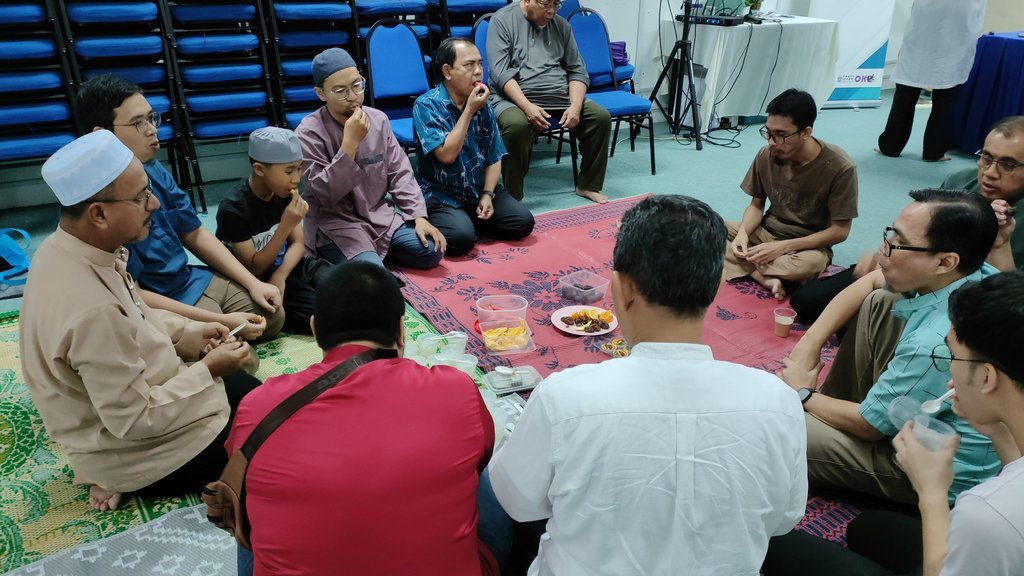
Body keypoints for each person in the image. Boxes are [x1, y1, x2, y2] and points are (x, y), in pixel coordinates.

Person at [484, 195, 808, 575]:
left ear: (622, 288)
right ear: (717, 286)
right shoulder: (779, 403)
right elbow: (784, 519)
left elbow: (517, 503)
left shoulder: (565, 397)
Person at [19, 131, 260, 513]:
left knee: (254, 393)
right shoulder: (90, 307)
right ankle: (121, 476)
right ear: (98, 213)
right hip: (141, 449)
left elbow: (136, 316)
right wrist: (208, 369)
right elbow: (134, 420)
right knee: (274, 434)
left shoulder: (65, 248)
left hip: (141, 401)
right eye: (141, 197)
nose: (155, 203)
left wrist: (193, 334)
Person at [229, 261, 496, 576]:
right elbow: (481, 459)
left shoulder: (258, 406)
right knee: (492, 481)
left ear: (315, 330)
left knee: (256, 512)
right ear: (401, 331)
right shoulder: (456, 389)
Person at [765, 271, 1024, 576]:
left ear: (987, 377)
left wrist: (932, 491)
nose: (950, 376)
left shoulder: (986, 513)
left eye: (953, 356)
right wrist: (993, 426)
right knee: (868, 528)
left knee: (776, 545)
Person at [779, 189, 1002, 506]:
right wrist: (809, 344)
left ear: (944, 261)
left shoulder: (934, 344)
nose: (882, 251)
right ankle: (835, 408)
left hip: (930, 466)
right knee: (882, 299)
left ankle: (829, 421)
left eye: (896, 243)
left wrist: (803, 392)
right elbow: (870, 282)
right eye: (889, 234)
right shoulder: (971, 273)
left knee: (775, 427)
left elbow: (869, 427)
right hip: (918, 420)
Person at [74, 74, 283, 343]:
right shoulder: (97, 204)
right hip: (155, 304)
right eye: (138, 123)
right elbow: (132, 294)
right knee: (237, 360)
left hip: (189, 280)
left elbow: (193, 232)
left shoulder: (152, 168)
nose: (151, 129)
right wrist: (221, 320)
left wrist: (255, 283)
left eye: (151, 118)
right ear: (102, 135)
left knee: (273, 316)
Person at [791, 116, 1024, 324]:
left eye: (1008, 164)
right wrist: (881, 255)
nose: (990, 172)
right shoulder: (959, 183)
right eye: (986, 157)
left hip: (960, 299)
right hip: (907, 269)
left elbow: (1010, 309)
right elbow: (912, 231)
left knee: (869, 320)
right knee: (805, 301)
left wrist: (1000, 244)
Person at [296, 47, 447, 270]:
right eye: (340, 91)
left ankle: (370, 254)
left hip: (379, 219)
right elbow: (323, 194)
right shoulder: (308, 132)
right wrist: (349, 145)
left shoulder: (378, 120)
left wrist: (418, 216)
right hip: (338, 225)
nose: (352, 97)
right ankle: (360, 258)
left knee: (431, 250)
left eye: (357, 86)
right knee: (372, 274)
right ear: (321, 94)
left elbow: (400, 172)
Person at [724, 88, 858, 300]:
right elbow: (756, 206)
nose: (771, 142)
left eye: (780, 135)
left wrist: (783, 247)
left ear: (806, 132)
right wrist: (742, 234)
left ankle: (744, 265)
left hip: (805, 247)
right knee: (705, 227)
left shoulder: (840, 168)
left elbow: (840, 231)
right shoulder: (766, 155)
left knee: (805, 266)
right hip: (766, 233)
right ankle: (761, 275)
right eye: (768, 132)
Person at [414, 37, 535, 256]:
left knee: (523, 222)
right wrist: (469, 111)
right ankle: (461, 222)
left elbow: (494, 155)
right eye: (469, 65)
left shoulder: (484, 103)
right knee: (460, 240)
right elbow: (446, 156)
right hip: (441, 193)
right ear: (447, 71)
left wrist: (488, 194)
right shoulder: (427, 105)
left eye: (480, 64)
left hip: (476, 189)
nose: (478, 71)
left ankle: (470, 218)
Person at [486, 0, 612, 204]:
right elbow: (500, 74)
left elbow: (577, 71)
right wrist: (527, 107)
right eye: (545, 4)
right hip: (513, 97)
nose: (551, 11)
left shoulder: (562, 26)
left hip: (558, 95)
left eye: (556, 4)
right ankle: (513, 198)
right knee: (516, 125)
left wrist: (575, 107)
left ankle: (588, 185)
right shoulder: (502, 20)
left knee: (600, 118)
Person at [216, 126, 333, 334]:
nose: (296, 178)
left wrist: (281, 275)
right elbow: (255, 268)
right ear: (260, 169)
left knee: (348, 286)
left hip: (288, 267)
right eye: (289, 170)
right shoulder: (233, 209)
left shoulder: (284, 192)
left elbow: (298, 244)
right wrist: (286, 225)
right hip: (258, 279)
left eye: (299, 168)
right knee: (324, 317)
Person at [876, 0, 986, 162]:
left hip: (930, 20)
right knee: (946, 94)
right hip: (960, 22)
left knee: (907, 89)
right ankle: (934, 151)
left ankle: (891, 145)